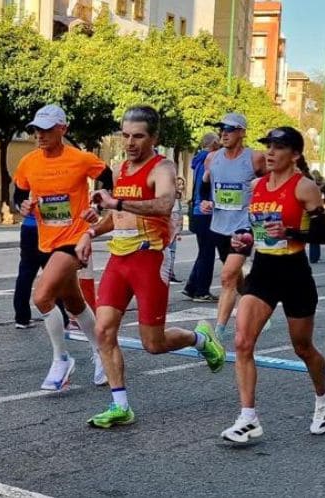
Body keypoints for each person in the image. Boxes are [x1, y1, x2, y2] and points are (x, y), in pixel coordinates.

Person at [75, 106, 225, 428]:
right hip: (119, 257)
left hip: (150, 256)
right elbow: (117, 218)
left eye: (138, 136)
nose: (130, 142)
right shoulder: (121, 170)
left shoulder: (163, 168)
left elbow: (163, 204)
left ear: (153, 137)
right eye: (125, 135)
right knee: (103, 331)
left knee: (153, 344)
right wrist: (91, 230)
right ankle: (120, 406)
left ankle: (200, 339)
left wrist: (115, 202)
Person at [220, 127, 325, 443]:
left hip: (295, 274)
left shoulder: (305, 188)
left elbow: (323, 236)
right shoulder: (256, 187)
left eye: (279, 147)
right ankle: (248, 418)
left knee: (302, 347)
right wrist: (242, 239)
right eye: (268, 146)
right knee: (243, 342)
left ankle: (324, 396)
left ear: (294, 155)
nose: (270, 152)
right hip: (264, 271)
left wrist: (291, 232)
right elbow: (254, 230)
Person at [13, 104, 115, 391]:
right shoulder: (29, 162)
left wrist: (97, 201)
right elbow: (19, 192)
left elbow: (106, 177)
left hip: (75, 239)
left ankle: (62, 358)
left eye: (46, 130)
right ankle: (101, 352)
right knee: (75, 303)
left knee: (42, 297)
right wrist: (22, 205)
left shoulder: (81, 159)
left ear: (63, 129)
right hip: (46, 239)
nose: (40, 135)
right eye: (36, 130)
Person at [199, 113, 266, 339]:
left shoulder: (255, 158)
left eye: (230, 129)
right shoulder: (212, 158)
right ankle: (255, 301)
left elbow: (272, 182)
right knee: (235, 278)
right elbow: (205, 185)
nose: (224, 133)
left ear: (242, 132)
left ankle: (218, 332)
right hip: (219, 226)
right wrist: (205, 201)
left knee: (227, 276)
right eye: (221, 129)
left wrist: (261, 194)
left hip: (243, 227)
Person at [13, 210, 69, 330]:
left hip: (28, 226)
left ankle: (21, 318)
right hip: (49, 228)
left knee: (25, 272)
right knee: (54, 273)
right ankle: (62, 318)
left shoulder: (29, 190)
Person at [183, 133, 220, 302]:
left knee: (204, 251)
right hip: (206, 210)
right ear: (213, 143)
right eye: (217, 142)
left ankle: (191, 286)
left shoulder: (197, 160)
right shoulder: (211, 159)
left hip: (197, 211)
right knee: (207, 253)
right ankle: (201, 291)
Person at [308, 169, 325, 264]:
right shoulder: (322, 184)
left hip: (305, 210)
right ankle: (314, 257)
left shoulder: (306, 183)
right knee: (315, 234)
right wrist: (324, 201)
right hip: (317, 210)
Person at [168, 176, 185, 283]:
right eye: (178, 184)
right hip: (171, 223)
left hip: (175, 224)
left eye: (182, 184)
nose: (181, 186)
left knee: (172, 249)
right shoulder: (171, 196)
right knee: (170, 249)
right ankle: (169, 272)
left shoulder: (177, 198)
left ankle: (170, 272)